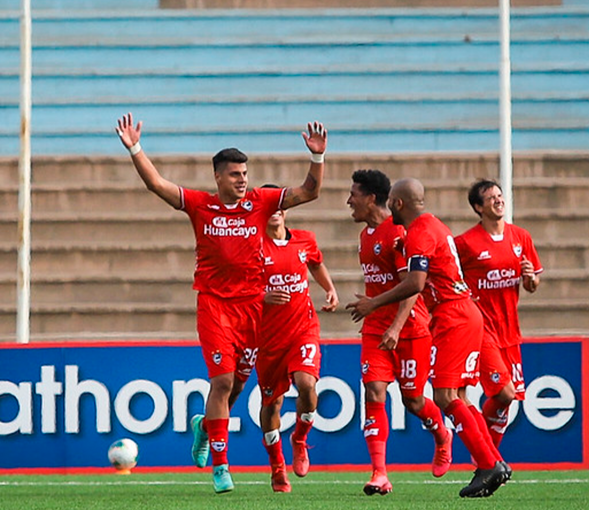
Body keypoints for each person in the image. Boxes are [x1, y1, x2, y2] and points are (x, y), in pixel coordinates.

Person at [115, 112, 327, 493]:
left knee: (235, 391)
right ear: (218, 177)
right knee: (222, 380)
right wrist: (135, 148)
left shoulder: (260, 203)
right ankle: (221, 467)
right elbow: (156, 184)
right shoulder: (200, 206)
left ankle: (203, 427)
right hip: (214, 305)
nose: (242, 179)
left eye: (245, 173)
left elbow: (309, 192)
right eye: (234, 174)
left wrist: (317, 158)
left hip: (253, 310)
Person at [346, 178, 509, 498]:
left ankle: (489, 464)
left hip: (453, 315)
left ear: (397, 203)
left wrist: (373, 303)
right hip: (461, 312)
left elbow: (415, 283)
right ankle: (492, 462)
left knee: (445, 397)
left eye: (392, 199)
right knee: (456, 396)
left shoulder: (418, 234)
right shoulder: (432, 226)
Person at [345, 169, 452, 496]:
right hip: (375, 328)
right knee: (374, 392)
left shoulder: (399, 232)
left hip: (410, 328)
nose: (349, 201)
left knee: (414, 400)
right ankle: (379, 473)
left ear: (371, 199)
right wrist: (380, 319)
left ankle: (442, 435)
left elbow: (413, 287)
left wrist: (395, 325)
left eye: (354, 195)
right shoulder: (365, 236)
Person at [256, 188, 339, 493]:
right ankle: (277, 467)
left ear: (286, 208)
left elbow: (315, 262)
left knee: (307, 384)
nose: (275, 210)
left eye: (279, 205)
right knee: (272, 403)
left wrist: (329, 288)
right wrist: (262, 296)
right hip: (266, 339)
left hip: (303, 329)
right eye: (269, 206)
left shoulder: (305, 239)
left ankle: (300, 438)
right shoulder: (252, 246)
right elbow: (236, 288)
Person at [454, 179, 542, 448]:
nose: (498, 200)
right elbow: (447, 276)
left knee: (508, 397)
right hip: (481, 329)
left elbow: (532, 285)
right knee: (504, 393)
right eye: (491, 197)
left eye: (500, 195)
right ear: (478, 207)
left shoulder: (520, 237)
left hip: (510, 330)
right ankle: (488, 454)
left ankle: (486, 459)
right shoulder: (465, 243)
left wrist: (530, 279)